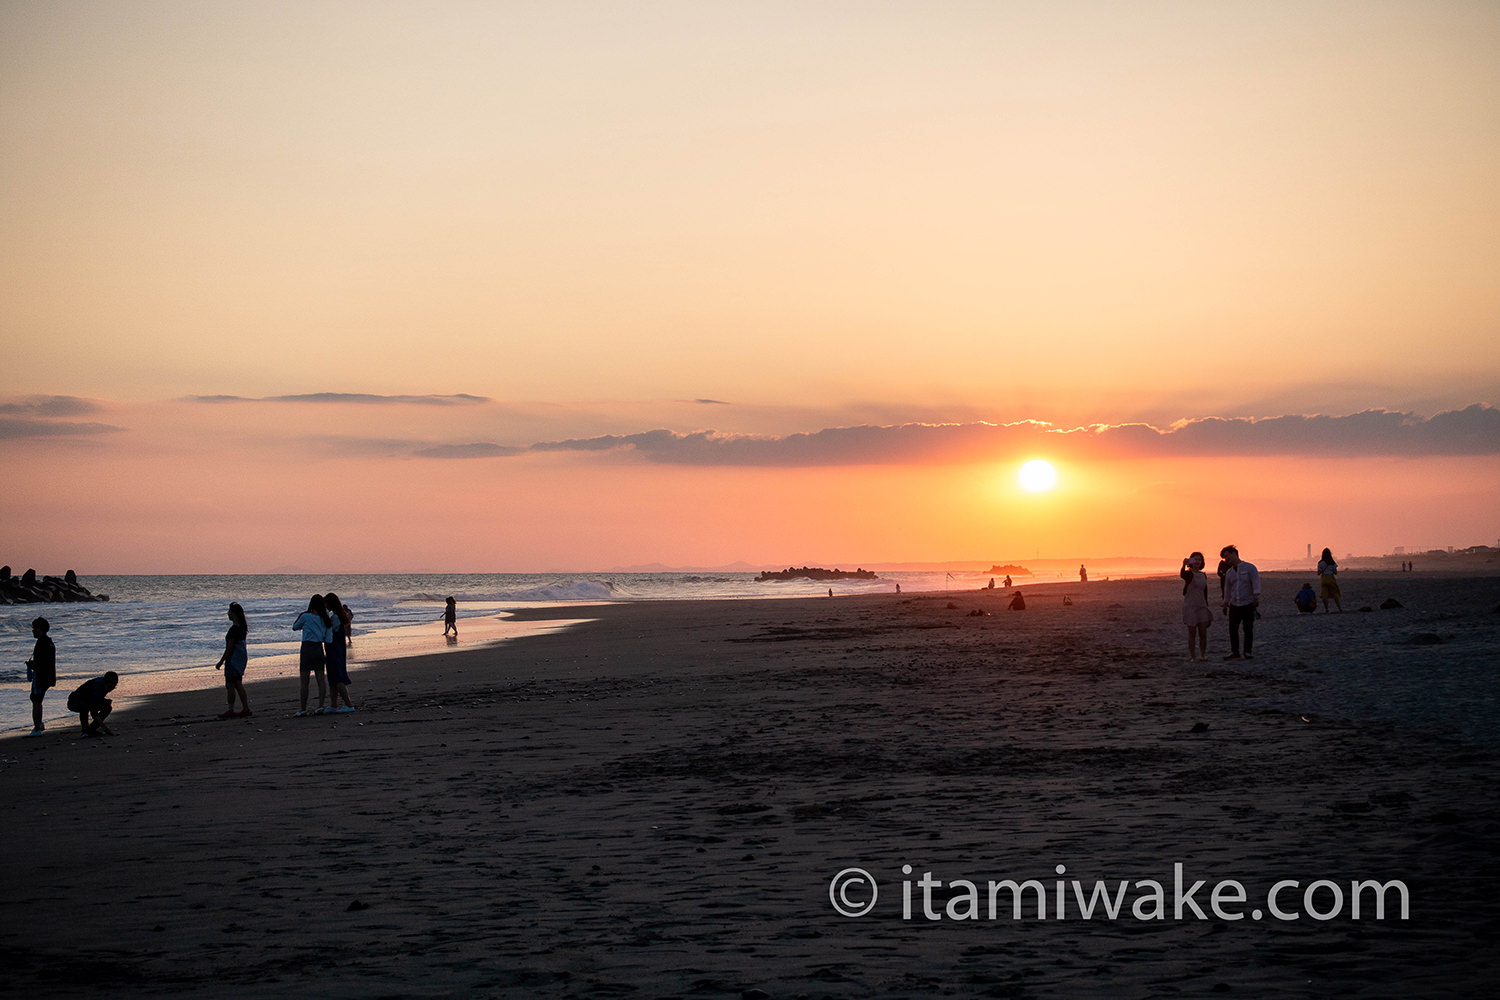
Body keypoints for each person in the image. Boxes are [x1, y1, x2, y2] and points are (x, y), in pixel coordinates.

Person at [292, 595, 331, 717]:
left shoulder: (305, 616)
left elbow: (294, 627)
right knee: (320, 679)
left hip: (307, 648)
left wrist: (300, 616)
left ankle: (303, 708)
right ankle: (321, 705)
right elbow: (327, 636)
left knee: (304, 681)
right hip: (319, 648)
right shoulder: (325, 618)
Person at [1219, 545, 1260, 660]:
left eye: (1227, 556)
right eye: (1224, 558)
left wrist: (1256, 597)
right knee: (1233, 629)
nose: (1226, 559)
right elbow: (1227, 589)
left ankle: (1247, 651)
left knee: (1247, 628)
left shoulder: (1249, 568)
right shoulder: (1229, 573)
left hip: (1248, 603)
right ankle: (1235, 652)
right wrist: (1225, 602)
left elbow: (1255, 582)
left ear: (1234, 554)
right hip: (1234, 604)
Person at [214, 602, 251, 718]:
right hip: (239, 660)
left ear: (233, 614)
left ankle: (231, 710)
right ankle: (245, 708)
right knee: (238, 684)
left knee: (230, 685)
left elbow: (229, 647)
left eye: (229, 611)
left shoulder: (234, 629)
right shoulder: (242, 628)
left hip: (232, 660)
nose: (228, 614)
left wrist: (221, 661)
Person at [322, 590, 355, 714]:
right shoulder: (340, 616)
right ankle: (334, 705)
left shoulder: (335, 617)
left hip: (334, 649)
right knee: (333, 679)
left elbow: (329, 630)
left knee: (337, 678)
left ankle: (348, 704)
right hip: (338, 649)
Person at [25, 617, 56, 736]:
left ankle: (37, 728)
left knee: (36, 700)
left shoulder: (42, 643)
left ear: (40, 629)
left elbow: (41, 662)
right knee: (37, 699)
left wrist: (32, 665)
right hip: (48, 676)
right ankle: (39, 724)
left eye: (34, 628)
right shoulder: (48, 642)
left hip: (41, 676)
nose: (32, 631)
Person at [1180, 553, 1212, 661]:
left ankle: (1202, 655)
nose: (1198, 562)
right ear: (1191, 562)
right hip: (1190, 606)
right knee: (1192, 632)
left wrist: (1207, 605)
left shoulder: (1203, 575)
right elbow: (1183, 575)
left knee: (1203, 632)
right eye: (1195, 559)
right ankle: (1193, 656)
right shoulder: (1189, 575)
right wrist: (1183, 565)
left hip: (1201, 605)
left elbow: (1205, 591)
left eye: (1200, 559)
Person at [66, 672, 118, 736]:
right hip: (74, 702)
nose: (111, 689)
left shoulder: (104, 685)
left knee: (107, 707)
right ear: (105, 682)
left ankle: (91, 730)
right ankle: (85, 731)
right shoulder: (97, 686)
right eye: (110, 686)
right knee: (85, 707)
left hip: (88, 700)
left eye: (114, 687)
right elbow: (94, 711)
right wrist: (106, 729)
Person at [1317, 548, 1342, 613]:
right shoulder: (1332, 562)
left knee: (1324, 595)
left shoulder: (1320, 563)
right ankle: (1339, 608)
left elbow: (1318, 573)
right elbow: (1335, 572)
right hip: (1330, 578)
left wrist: (1323, 570)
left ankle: (1326, 609)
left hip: (1323, 578)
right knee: (1335, 593)